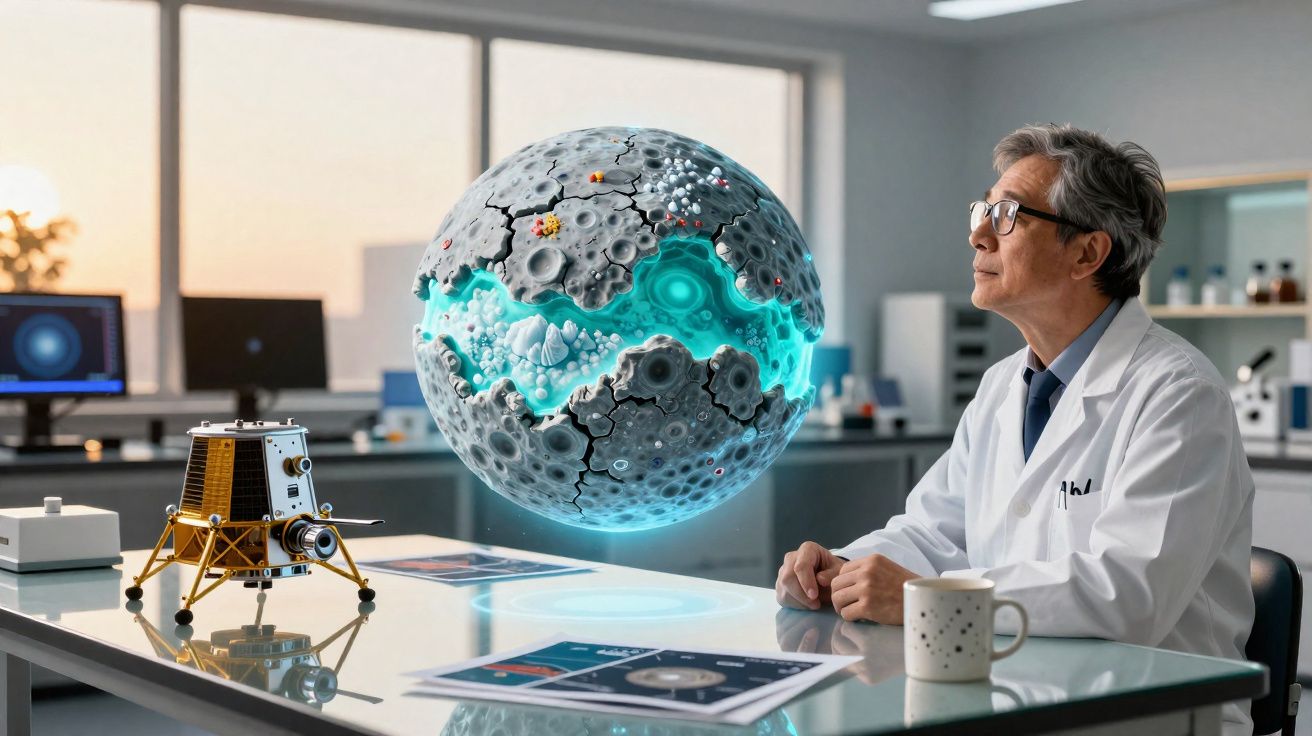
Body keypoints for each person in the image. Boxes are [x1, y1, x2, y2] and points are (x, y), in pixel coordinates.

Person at [777, 123, 1254, 732]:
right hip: (1013, 695)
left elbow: (1128, 596)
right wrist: (843, 571)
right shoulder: (1005, 385)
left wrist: (920, 598)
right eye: (983, 210)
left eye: (1006, 216)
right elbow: (933, 534)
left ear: (1088, 253)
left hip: (1153, 716)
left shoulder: (1178, 394)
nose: (977, 233)